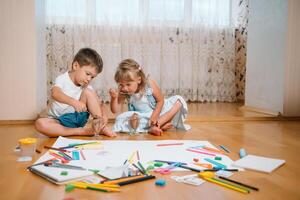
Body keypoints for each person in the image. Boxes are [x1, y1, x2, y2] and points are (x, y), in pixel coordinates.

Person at [35, 48, 117, 137]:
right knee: (40, 124)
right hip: (58, 120)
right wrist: (74, 102)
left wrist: (102, 116)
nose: (89, 79)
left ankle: (101, 127)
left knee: (89, 93)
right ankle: (79, 131)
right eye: (87, 74)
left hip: (77, 118)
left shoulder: (86, 86)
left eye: (92, 77)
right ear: (75, 66)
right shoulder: (62, 79)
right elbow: (55, 93)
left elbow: (98, 103)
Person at [109, 58, 190, 136]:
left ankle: (158, 124)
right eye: (121, 85)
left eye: (128, 84)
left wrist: (154, 116)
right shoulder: (124, 91)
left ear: (139, 80)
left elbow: (160, 101)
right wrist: (114, 98)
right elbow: (114, 111)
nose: (125, 88)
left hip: (157, 112)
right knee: (121, 119)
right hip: (141, 117)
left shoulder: (149, 85)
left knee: (179, 101)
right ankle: (155, 127)